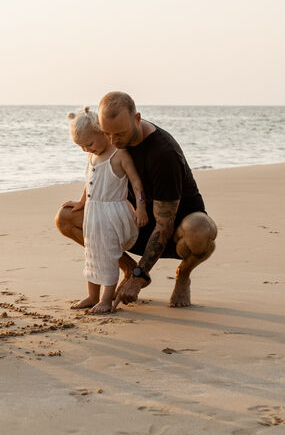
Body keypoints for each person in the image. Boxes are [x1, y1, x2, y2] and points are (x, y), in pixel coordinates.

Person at [56, 92, 217, 308]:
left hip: (174, 232)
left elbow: (164, 225)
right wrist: (83, 201)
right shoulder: (112, 141)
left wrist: (138, 280)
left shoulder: (162, 153)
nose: (113, 141)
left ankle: (182, 275)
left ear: (137, 119)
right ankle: (127, 267)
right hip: (133, 225)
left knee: (201, 229)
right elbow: (97, 173)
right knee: (66, 218)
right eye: (107, 133)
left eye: (119, 134)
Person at [64, 107, 148, 313]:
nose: (86, 150)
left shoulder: (119, 155)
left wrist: (141, 208)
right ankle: (92, 296)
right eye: (81, 147)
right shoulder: (92, 156)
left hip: (113, 213)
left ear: (102, 131)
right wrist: (82, 202)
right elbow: (89, 182)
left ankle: (106, 299)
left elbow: (137, 183)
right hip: (94, 213)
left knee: (108, 255)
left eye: (89, 144)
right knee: (92, 252)